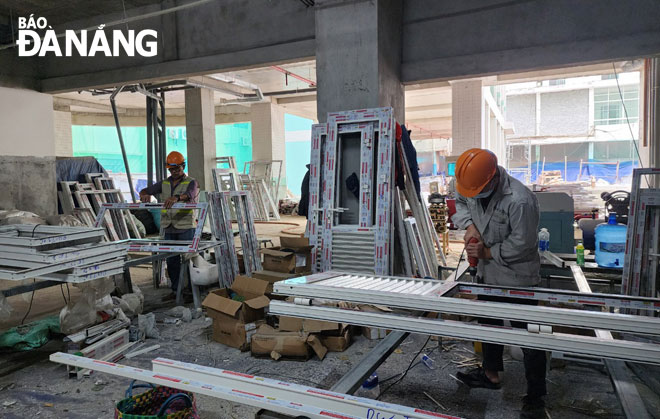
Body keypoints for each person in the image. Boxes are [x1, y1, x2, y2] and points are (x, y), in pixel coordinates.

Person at [451, 148, 548, 419]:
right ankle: (490, 374)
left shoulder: (519, 200)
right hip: (488, 273)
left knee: (528, 334)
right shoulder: (468, 183)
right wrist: (469, 225)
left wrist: (487, 252)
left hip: (518, 275)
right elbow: (459, 201)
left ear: (493, 178)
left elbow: (524, 243)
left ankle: (536, 394)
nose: (471, 195)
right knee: (490, 322)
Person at [139, 151, 199, 300]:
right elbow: (146, 190)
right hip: (168, 227)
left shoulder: (191, 182)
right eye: (171, 170)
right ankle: (176, 290)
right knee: (172, 260)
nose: (174, 172)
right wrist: (144, 194)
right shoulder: (164, 183)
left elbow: (190, 195)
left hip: (185, 227)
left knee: (189, 259)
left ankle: (192, 291)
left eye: (177, 169)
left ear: (183, 167)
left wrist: (177, 197)